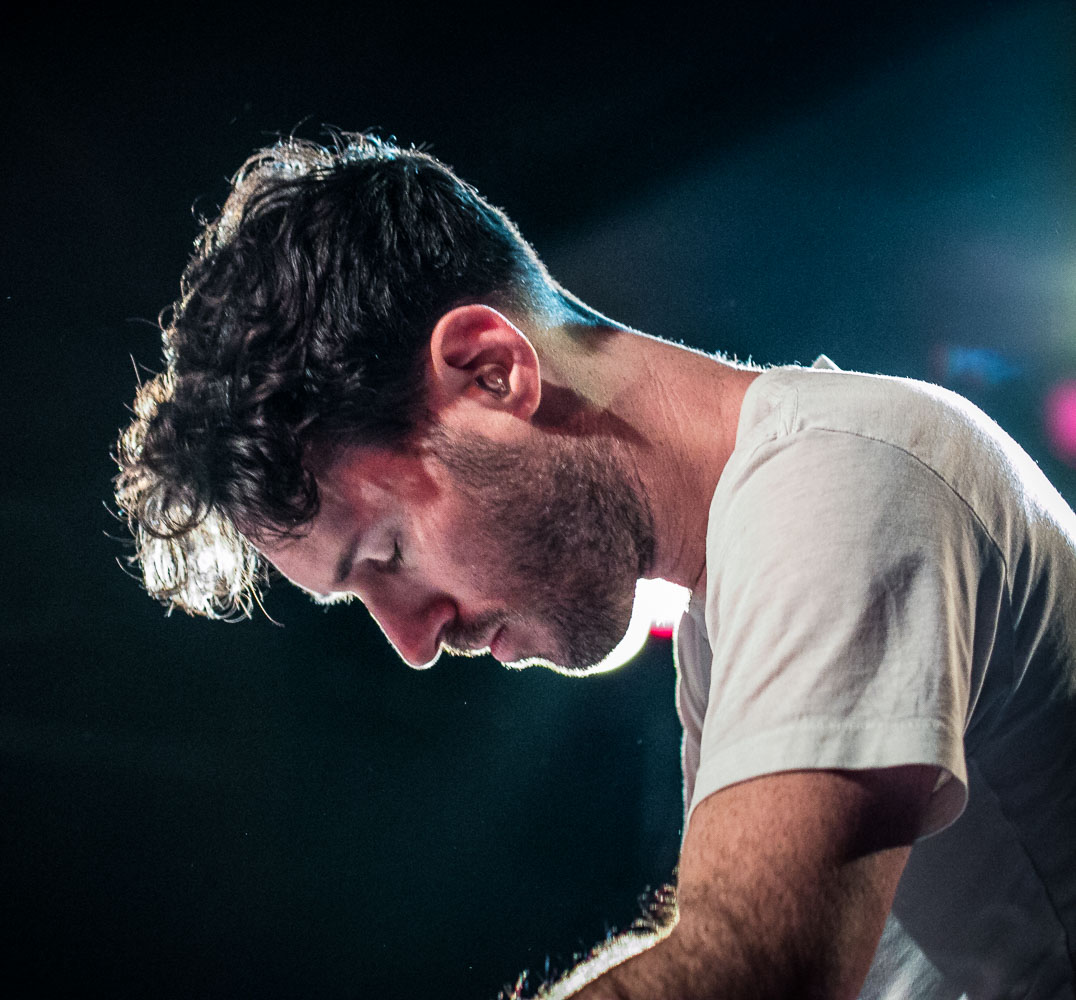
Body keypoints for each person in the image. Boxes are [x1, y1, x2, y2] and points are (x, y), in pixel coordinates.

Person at [113, 132, 1076, 999]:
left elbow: (747, 970)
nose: (410, 640)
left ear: (493, 369)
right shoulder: (733, 598)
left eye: (387, 554)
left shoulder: (841, 480)